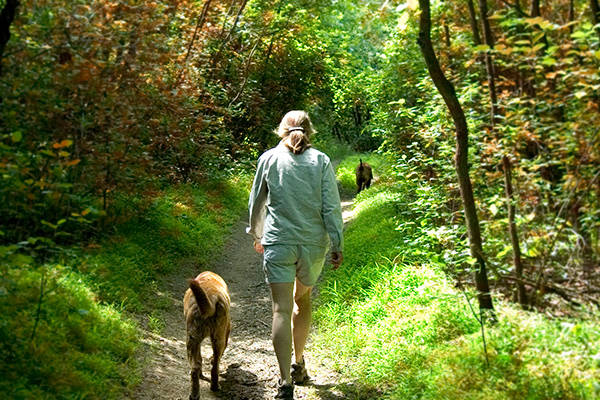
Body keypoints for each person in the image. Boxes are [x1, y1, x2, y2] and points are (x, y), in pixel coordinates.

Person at [247, 110, 344, 400]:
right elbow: (331, 206)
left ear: (281, 130)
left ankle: (285, 381)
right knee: (302, 300)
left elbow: (256, 204)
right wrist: (337, 243)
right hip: (313, 244)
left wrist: (258, 235)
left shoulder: (268, 159)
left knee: (280, 309)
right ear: (310, 131)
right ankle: (299, 362)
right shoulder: (321, 161)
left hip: (279, 242)